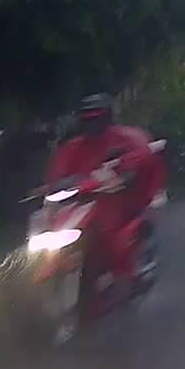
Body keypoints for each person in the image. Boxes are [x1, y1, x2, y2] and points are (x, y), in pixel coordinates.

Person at [44, 94, 166, 289]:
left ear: (106, 118)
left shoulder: (125, 139)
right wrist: (50, 188)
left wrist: (125, 177)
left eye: (96, 118)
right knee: (49, 229)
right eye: (87, 120)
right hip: (84, 201)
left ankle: (130, 269)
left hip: (123, 198)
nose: (92, 125)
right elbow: (56, 176)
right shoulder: (72, 146)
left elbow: (141, 161)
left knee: (118, 237)